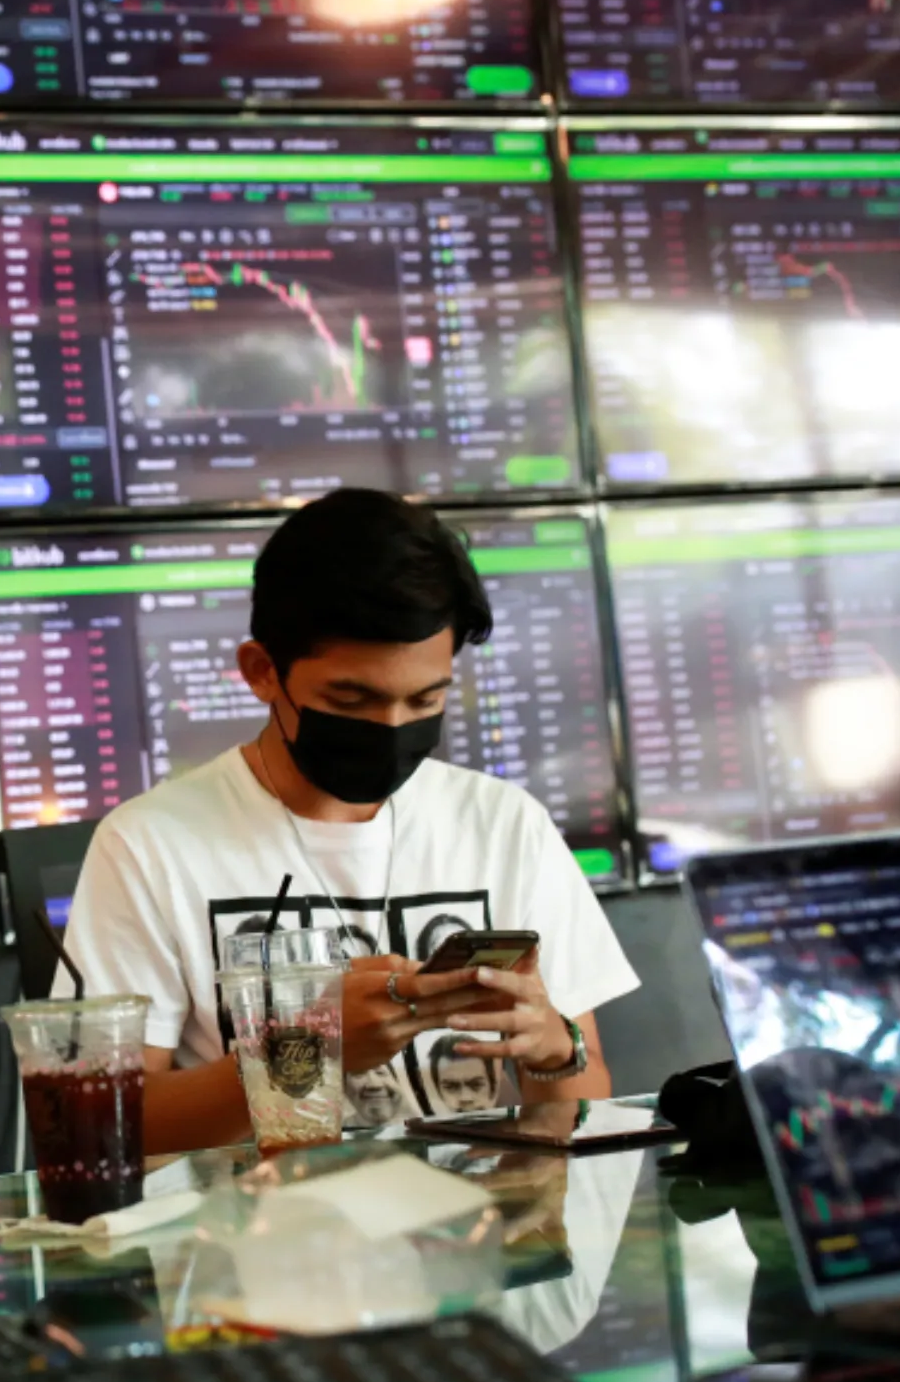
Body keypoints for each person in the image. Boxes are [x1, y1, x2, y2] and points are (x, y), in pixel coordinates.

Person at [58, 489, 638, 1150]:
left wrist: (551, 1051)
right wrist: (306, 1053)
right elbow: (99, 1125)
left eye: (425, 698)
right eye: (351, 698)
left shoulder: (505, 825)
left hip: (476, 1235)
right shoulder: (151, 846)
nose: (391, 730)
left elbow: (584, 1109)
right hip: (255, 1238)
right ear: (262, 672)